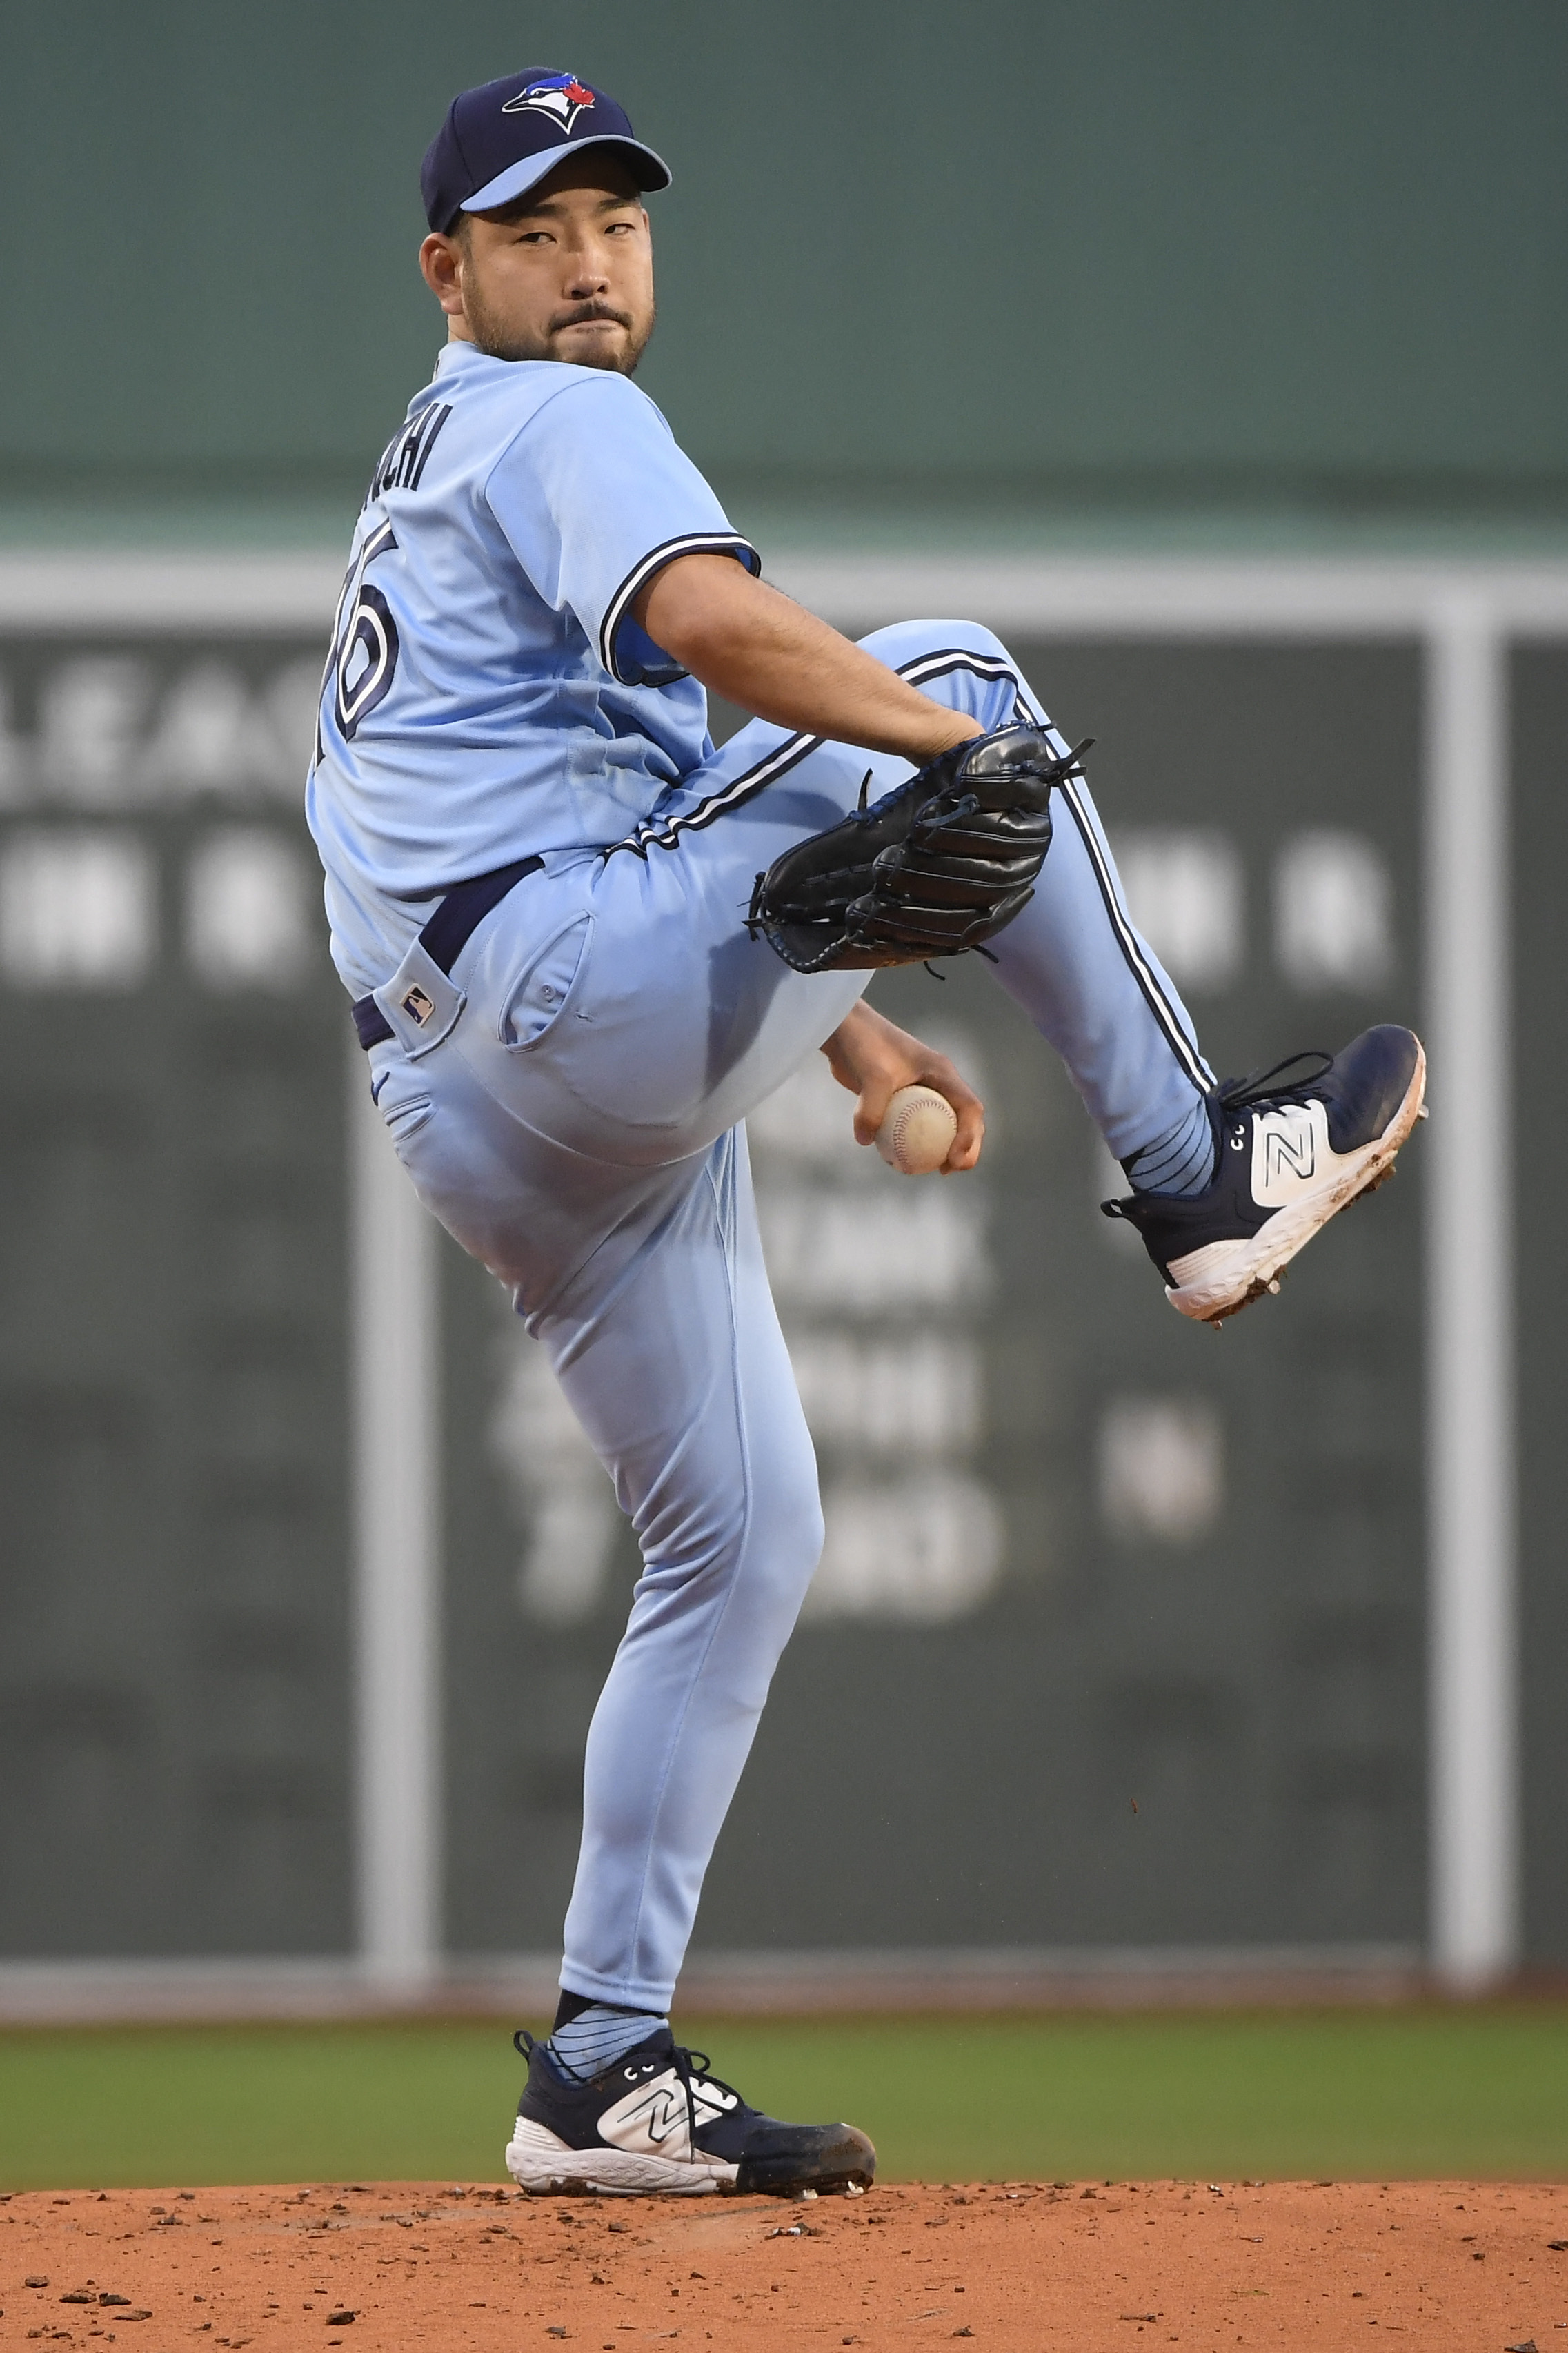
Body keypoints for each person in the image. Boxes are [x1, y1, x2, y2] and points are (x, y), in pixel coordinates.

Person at [306, 66, 1425, 2198]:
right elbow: (721, 629)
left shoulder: (438, 474)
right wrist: (963, 749)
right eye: (537, 230)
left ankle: (601, 2067)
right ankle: (1196, 1171)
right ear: (447, 273)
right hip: (556, 998)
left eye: (617, 221)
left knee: (741, 1537)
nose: (589, 261)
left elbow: (660, 805)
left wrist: (861, 1055)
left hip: (484, 1095)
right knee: (958, 663)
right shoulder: (560, 419)